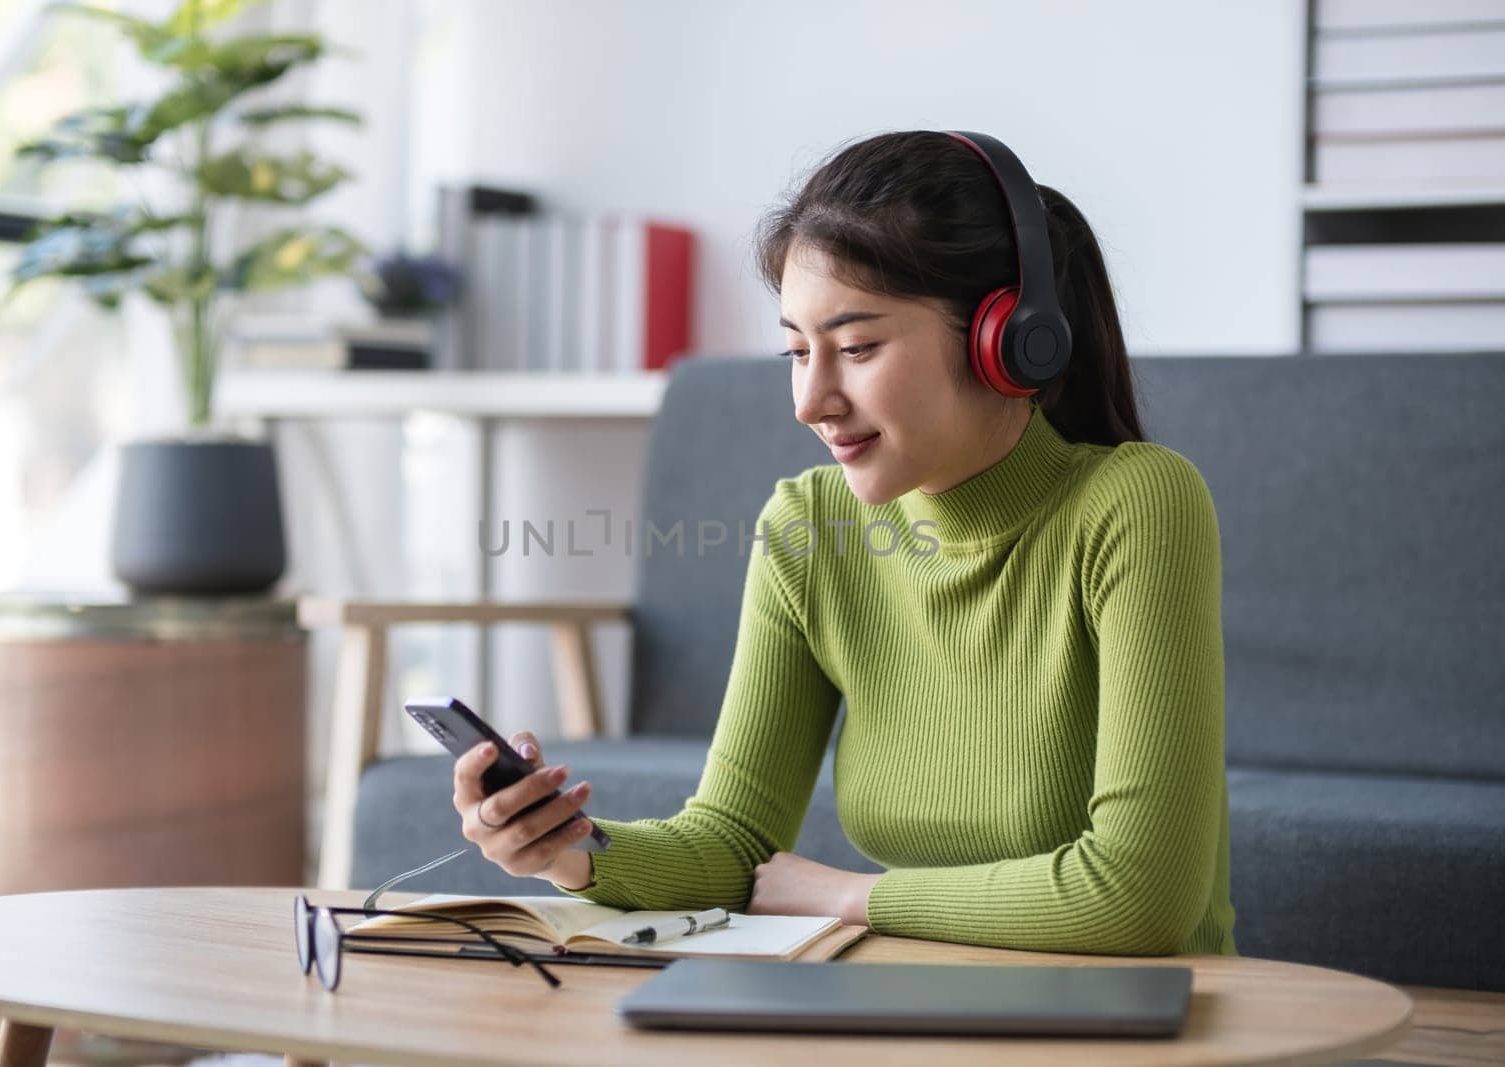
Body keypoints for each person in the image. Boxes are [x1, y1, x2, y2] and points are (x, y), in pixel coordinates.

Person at [450, 129, 1236, 956]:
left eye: (856, 347)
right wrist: (570, 851)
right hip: (913, 1005)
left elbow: (1137, 898)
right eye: (797, 350)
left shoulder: (1135, 502)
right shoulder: (808, 526)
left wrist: (847, 896)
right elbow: (732, 844)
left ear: (1004, 340)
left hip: (1138, 1023)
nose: (811, 400)